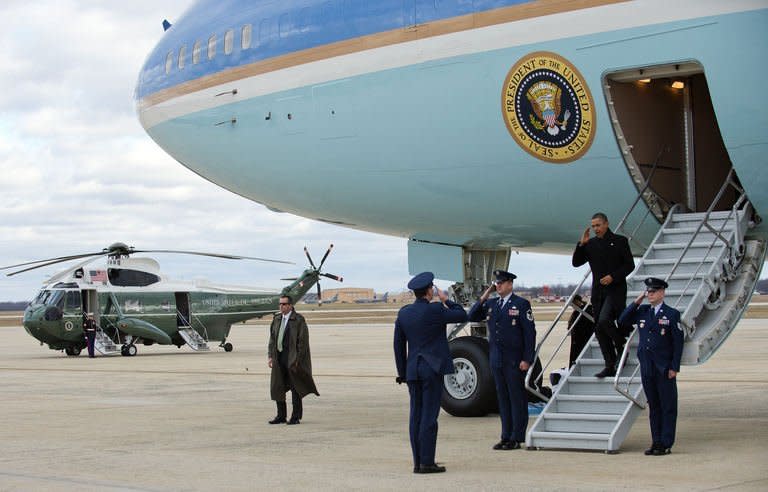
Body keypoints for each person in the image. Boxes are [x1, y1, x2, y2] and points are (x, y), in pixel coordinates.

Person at [394, 272, 467, 474]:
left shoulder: (404, 313)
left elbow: (398, 345)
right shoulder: (435, 310)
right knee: (429, 417)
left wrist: (402, 372)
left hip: (412, 371)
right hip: (431, 369)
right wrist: (446, 300)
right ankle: (427, 462)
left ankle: (418, 461)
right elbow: (462, 314)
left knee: (415, 416)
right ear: (429, 291)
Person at [468, 270, 536, 451]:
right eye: (496, 283)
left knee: (516, 398)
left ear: (510, 284)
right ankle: (505, 435)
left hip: (514, 360)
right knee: (503, 399)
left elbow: (530, 334)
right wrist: (485, 295)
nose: (498, 286)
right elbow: (472, 315)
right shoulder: (492, 304)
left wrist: (527, 358)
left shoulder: (521, 304)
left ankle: (517, 436)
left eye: (501, 283)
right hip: (497, 359)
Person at [618, 277, 683, 456]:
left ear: (662, 292)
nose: (650, 295)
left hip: (664, 367)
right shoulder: (643, 311)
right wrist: (637, 301)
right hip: (647, 367)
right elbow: (623, 320)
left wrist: (674, 367)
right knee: (654, 406)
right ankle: (656, 441)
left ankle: (666, 442)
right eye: (648, 292)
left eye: (653, 291)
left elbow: (678, 344)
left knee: (667, 406)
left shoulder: (671, 314)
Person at [572, 212, 635, 378]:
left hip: (615, 290)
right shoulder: (590, 244)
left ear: (606, 224)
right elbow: (576, 263)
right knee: (599, 329)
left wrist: (613, 276)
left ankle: (621, 344)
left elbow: (630, 265)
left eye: (598, 225)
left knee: (605, 320)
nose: (595, 229)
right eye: (593, 226)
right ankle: (610, 364)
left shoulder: (620, 241)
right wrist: (581, 244)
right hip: (598, 292)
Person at [267, 295, 319, 425]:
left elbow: (303, 342)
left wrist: (298, 360)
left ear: (290, 305)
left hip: (293, 358)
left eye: (284, 304)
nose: (281, 306)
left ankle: (295, 417)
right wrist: (270, 356)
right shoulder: (277, 319)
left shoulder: (298, 320)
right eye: (280, 304)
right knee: (277, 386)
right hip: (279, 358)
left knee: (296, 387)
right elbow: (272, 340)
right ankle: (281, 415)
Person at [567, 294, 595, 367]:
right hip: (578, 340)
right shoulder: (582, 311)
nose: (573, 306)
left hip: (581, 340)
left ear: (577, 301)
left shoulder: (585, 311)